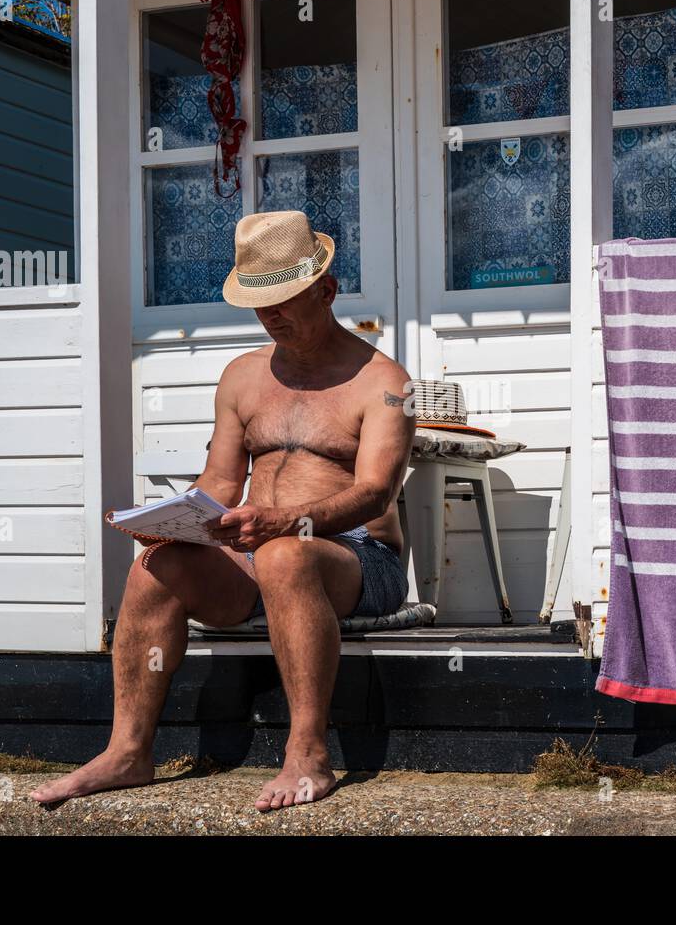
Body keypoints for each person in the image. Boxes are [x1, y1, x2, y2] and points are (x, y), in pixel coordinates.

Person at [31, 210, 415, 811]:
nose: (272, 316)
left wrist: (286, 523)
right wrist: (167, 520)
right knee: (157, 566)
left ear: (327, 290)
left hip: (360, 560)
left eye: (286, 300)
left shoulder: (384, 382)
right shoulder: (242, 377)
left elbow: (375, 494)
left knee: (287, 557)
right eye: (261, 304)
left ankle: (309, 754)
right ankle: (128, 753)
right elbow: (219, 481)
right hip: (258, 555)